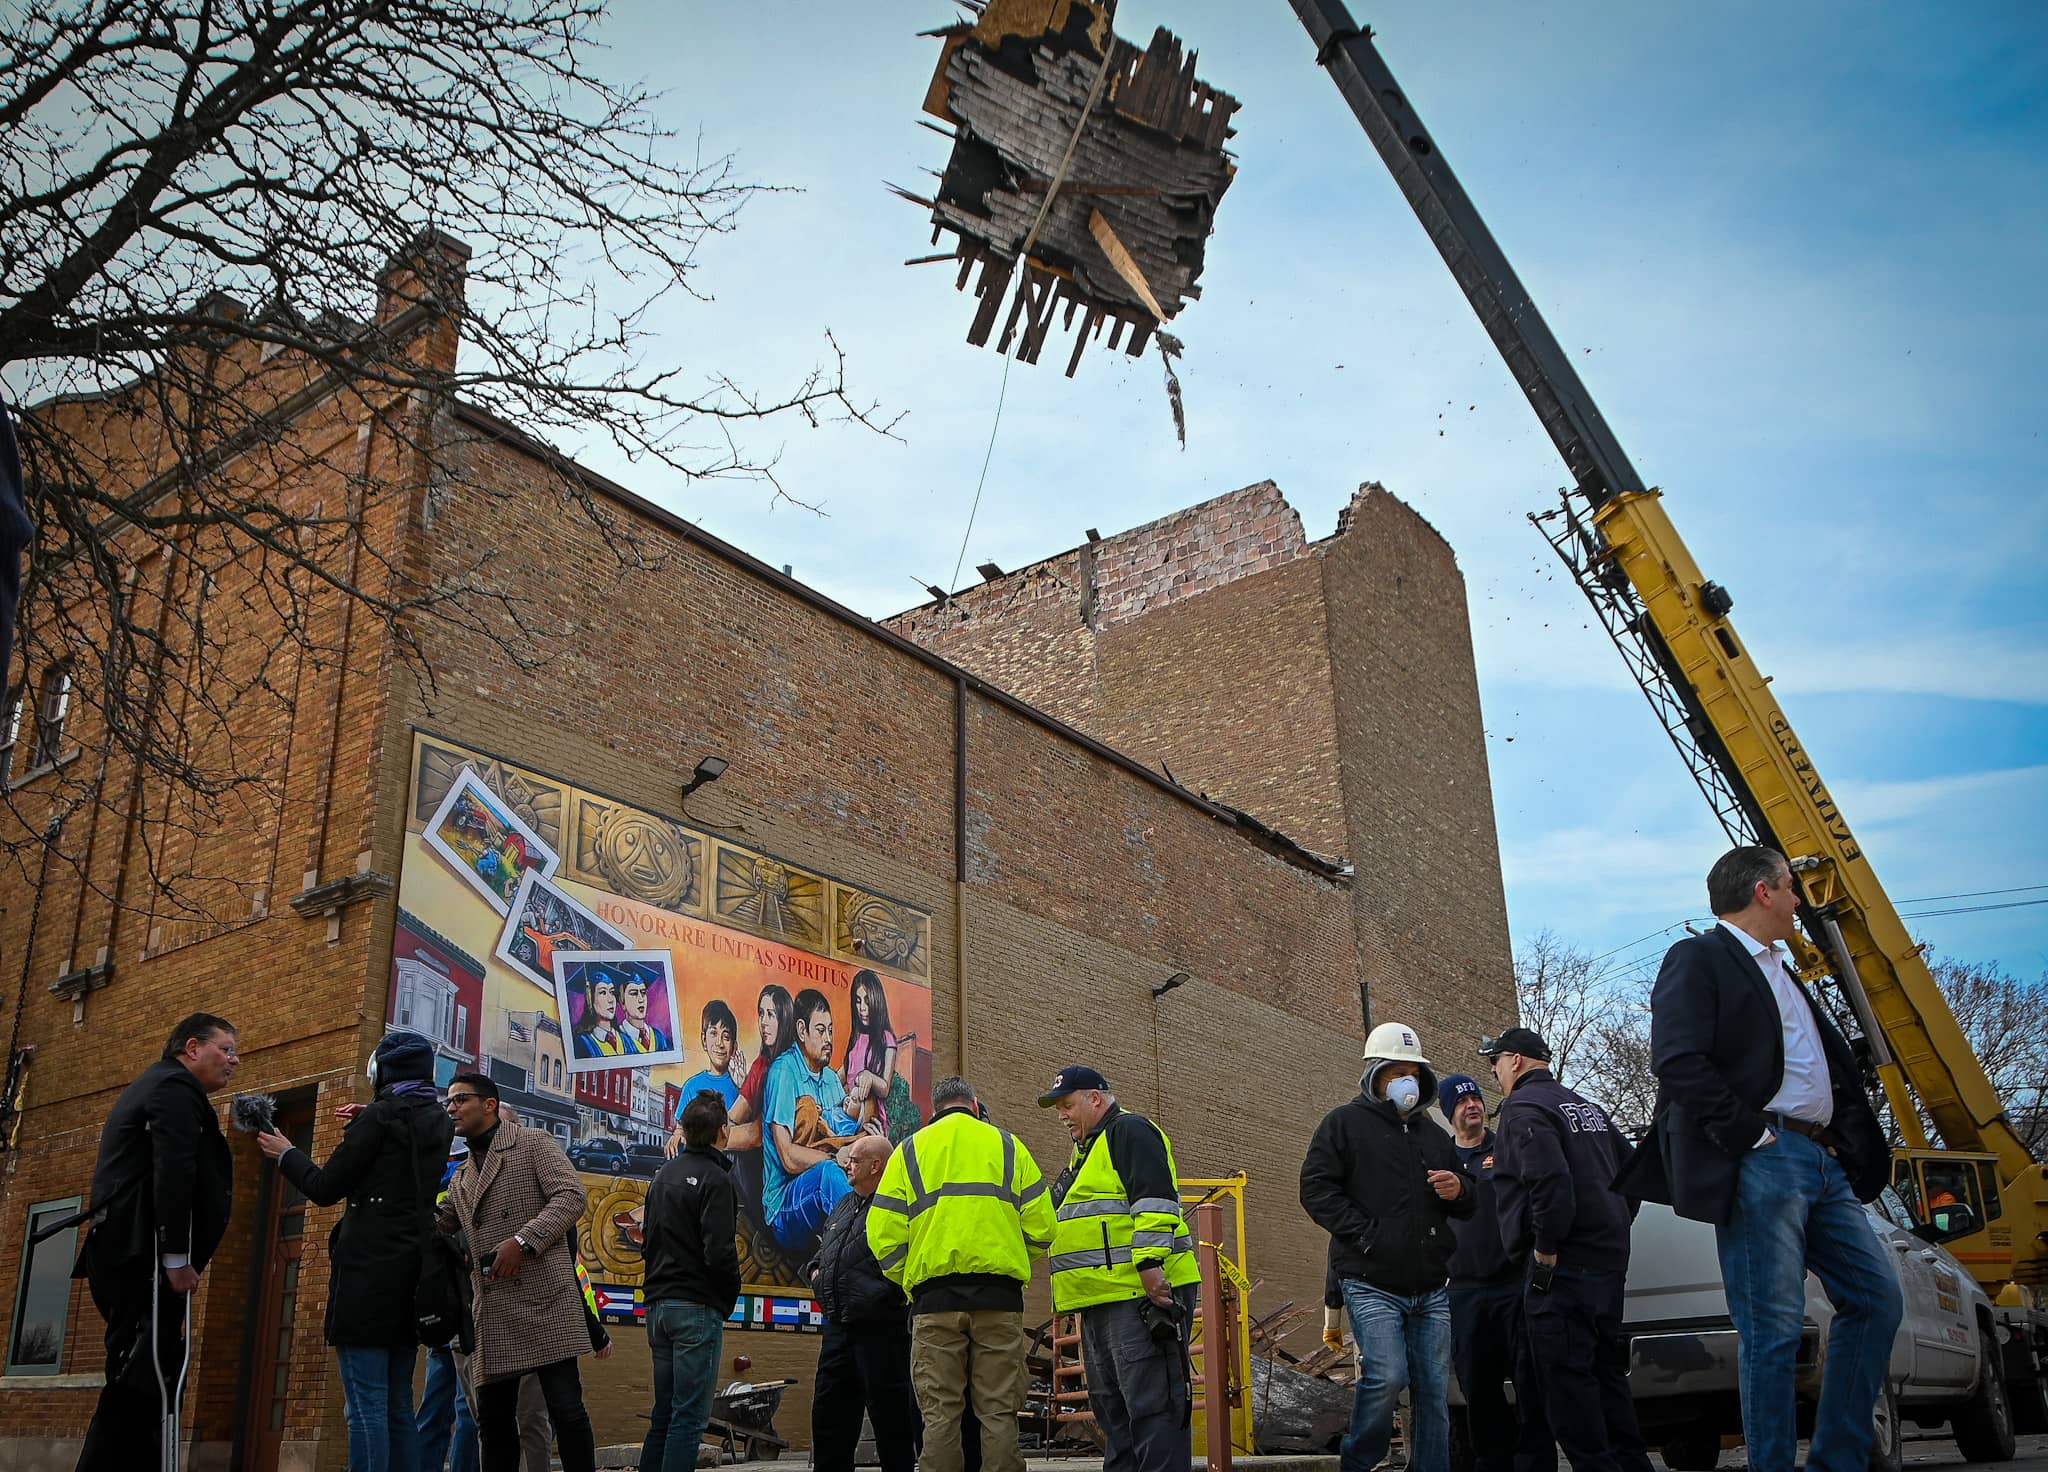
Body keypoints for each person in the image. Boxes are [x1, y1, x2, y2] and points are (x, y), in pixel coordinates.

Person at [1616, 845, 1900, 1472]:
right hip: (1764, 1159)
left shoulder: (1784, 971)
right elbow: (1679, 1060)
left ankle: (1839, 1460)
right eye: (1792, 889)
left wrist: (1842, 1143)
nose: (1800, 902)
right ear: (1763, 892)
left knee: (1877, 1300)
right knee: (1771, 1328)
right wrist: (1751, 1138)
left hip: (1820, 1161)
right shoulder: (1699, 957)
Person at [256, 1029, 455, 1472]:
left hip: (368, 1275)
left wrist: (287, 1153)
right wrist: (378, 1118)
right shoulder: (436, 1121)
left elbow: (326, 1187)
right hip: (413, 1274)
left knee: (364, 1406)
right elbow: (407, 1134)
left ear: (382, 1071)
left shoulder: (382, 1119)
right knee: (399, 1404)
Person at [1300, 1021, 1472, 1472]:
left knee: (1433, 1391)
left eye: (1413, 1072)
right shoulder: (1343, 1124)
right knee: (1387, 1375)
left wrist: (1461, 1189)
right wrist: (1369, 1236)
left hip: (1431, 1286)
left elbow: (1468, 1197)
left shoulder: (1435, 1135)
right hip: (1370, 1279)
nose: (1406, 1081)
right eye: (1396, 1071)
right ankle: (1359, 1461)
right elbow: (1316, 1191)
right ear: (1374, 1075)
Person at [72, 1013, 238, 1472]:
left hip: (131, 1252)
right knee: (142, 1377)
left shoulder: (164, 1087)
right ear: (191, 1048)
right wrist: (175, 1259)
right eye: (224, 1048)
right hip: (140, 1255)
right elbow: (175, 1175)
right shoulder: (172, 1090)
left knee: (153, 1374)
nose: (234, 1059)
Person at [867, 1075, 1053, 1472]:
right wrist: (1012, 1263)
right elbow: (1043, 1229)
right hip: (999, 1301)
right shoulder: (1009, 1146)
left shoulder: (909, 1151)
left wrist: (911, 1278)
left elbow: (882, 1235)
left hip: (934, 1304)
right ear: (975, 1104)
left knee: (940, 1418)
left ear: (935, 1111)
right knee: (999, 1414)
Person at [1482, 1031, 1647, 1472]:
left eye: (1495, 1061)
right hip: (1606, 1266)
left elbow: (1549, 1182)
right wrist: (1613, 1228)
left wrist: (1546, 1251)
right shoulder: (1586, 1107)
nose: (1494, 1072)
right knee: (1607, 1380)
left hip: (1562, 1273)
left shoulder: (1524, 1108)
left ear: (1515, 1061)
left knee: (1571, 1396)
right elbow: (1634, 1173)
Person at [1039, 1066, 1201, 1472]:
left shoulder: (1129, 1132)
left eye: (1067, 1105)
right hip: (1101, 1299)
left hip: (1136, 1296)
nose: (1062, 1115)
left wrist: (1149, 1267)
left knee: (1150, 1409)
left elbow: (1155, 1201)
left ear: (1095, 1098)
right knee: (1115, 1413)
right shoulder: (1085, 1153)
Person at [441, 1072, 599, 1472]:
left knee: (566, 1411)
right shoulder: (460, 1177)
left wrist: (523, 1242)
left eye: (460, 1099)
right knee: (492, 1423)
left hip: (547, 1300)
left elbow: (571, 1197)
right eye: (449, 1101)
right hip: (493, 1311)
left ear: (489, 1104)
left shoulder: (532, 1144)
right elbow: (438, 1227)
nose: (452, 1108)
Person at [1434, 1071, 1551, 1472]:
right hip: (1463, 1292)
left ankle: (1535, 1462)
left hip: (1512, 1283)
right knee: (1477, 1387)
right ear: (1449, 1111)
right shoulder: (1441, 1162)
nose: (1473, 1105)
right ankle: (1493, 1462)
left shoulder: (1508, 1149)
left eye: (1476, 1099)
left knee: (1530, 1381)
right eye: (1462, 1101)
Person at [639, 1090, 740, 1472]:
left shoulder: (663, 1175)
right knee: (689, 1419)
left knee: (663, 1414)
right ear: (722, 1132)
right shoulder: (717, 1180)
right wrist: (727, 1297)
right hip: (695, 1308)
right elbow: (720, 1252)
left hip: (658, 1306)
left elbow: (648, 1240)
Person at [807, 1135, 918, 1472]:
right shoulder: (844, 1204)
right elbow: (825, 1251)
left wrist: (882, 1296)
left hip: (881, 1329)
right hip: (837, 1330)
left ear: (876, 1165)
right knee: (829, 1419)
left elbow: (904, 1260)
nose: (847, 1165)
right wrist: (814, 1272)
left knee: (891, 1421)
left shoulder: (896, 1205)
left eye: (855, 1160)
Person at [762, 988, 863, 1250]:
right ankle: (866, 1249)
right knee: (827, 1174)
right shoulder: (783, 1072)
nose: (828, 1038)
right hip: (784, 1206)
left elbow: (840, 1135)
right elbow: (787, 1157)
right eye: (821, 1030)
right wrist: (833, 1159)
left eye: (830, 1030)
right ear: (801, 1030)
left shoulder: (831, 1080)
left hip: (826, 1192)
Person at [842, 970, 899, 1134]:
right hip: (850, 1115)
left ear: (877, 1000)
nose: (862, 1008)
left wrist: (869, 1076)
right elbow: (845, 1073)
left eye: (867, 1001)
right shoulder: (856, 1037)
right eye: (858, 1001)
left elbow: (885, 1087)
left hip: (870, 1119)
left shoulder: (886, 1039)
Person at [679, 1000, 745, 1109]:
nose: (719, 1043)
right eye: (714, 1034)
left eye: (726, 1037)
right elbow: (680, 1126)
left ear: (734, 1046)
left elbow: (754, 1122)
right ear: (704, 1040)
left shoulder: (741, 1086)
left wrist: (744, 1088)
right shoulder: (691, 1087)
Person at [569, 969, 626, 1059]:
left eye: (612, 992)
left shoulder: (626, 1040)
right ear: (590, 999)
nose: (610, 999)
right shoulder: (583, 1043)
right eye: (603, 992)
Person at [619, 972, 672, 1055]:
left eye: (643, 993)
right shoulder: (619, 1038)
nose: (641, 999)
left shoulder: (658, 1036)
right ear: (622, 1003)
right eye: (634, 993)